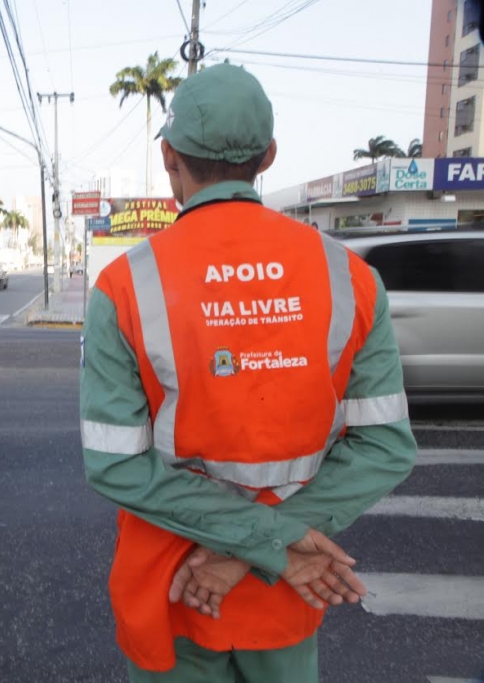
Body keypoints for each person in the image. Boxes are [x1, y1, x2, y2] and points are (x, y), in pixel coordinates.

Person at [79, 64, 417, 683]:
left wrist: (248, 548)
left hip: (175, 581)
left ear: (168, 158)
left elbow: (117, 463)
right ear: (268, 157)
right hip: (286, 589)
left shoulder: (124, 287)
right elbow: (385, 447)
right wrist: (269, 546)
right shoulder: (352, 279)